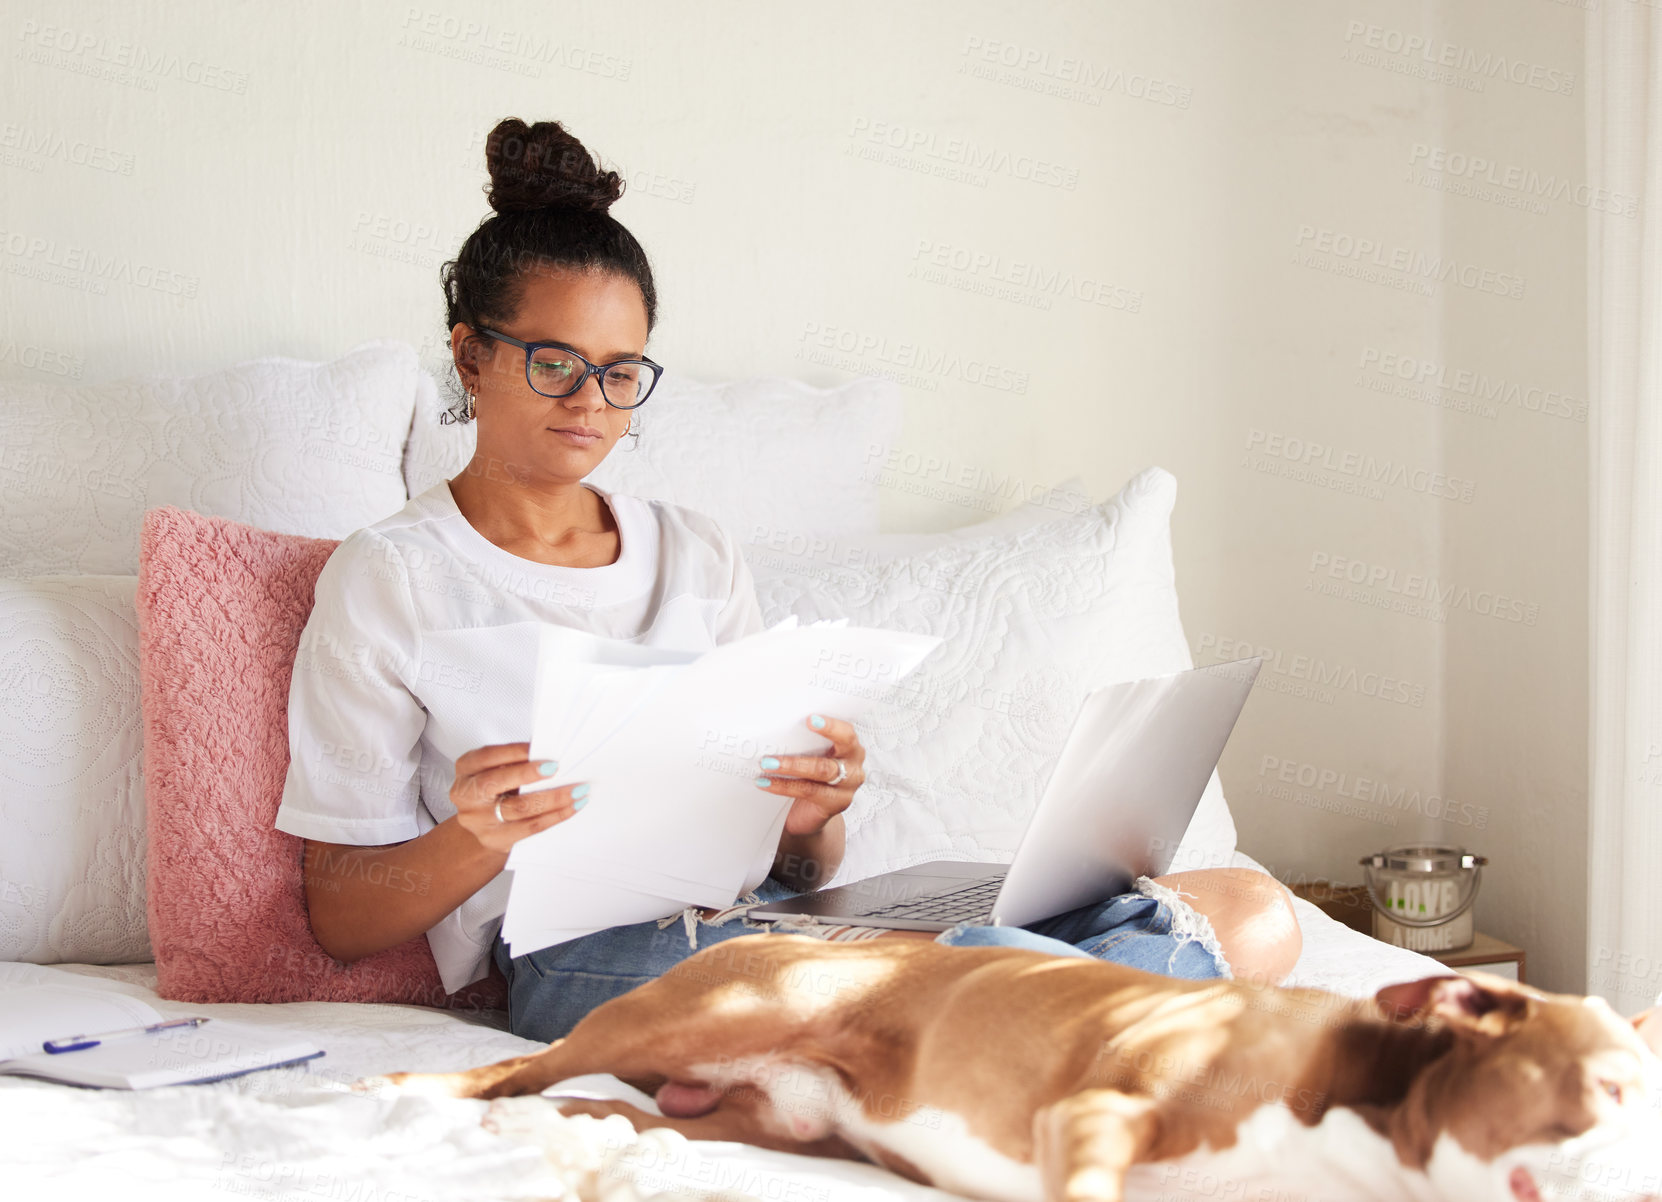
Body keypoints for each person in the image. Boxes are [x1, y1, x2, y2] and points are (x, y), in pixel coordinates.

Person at [275, 116, 1303, 1046]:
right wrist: (475, 836)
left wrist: (812, 816)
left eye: (622, 371)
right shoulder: (392, 577)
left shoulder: (696, 552)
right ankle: (1073, 1015)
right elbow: (341, 917)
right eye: (556, 363)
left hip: (777, 920)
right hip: (586, 955)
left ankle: (1023, 1016)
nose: (592, 401)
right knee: (954, 970)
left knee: (1256, 913)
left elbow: (803, 868)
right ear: (470, 355)